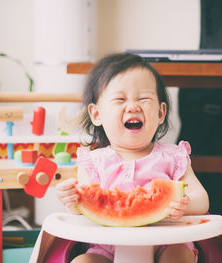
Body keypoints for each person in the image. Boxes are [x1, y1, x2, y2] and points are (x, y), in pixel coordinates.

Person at [56, 53, 209, 263]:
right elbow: (84, 206)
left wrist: (184, 203)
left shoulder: (174, 157)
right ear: (96, 114)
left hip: (167, 243)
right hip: (107, 248)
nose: (133, 106)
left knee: (179, 257)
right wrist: (70, 200)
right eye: (120, 99)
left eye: (144, 98)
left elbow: (202, 198)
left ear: (161, 113)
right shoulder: (93, 162)